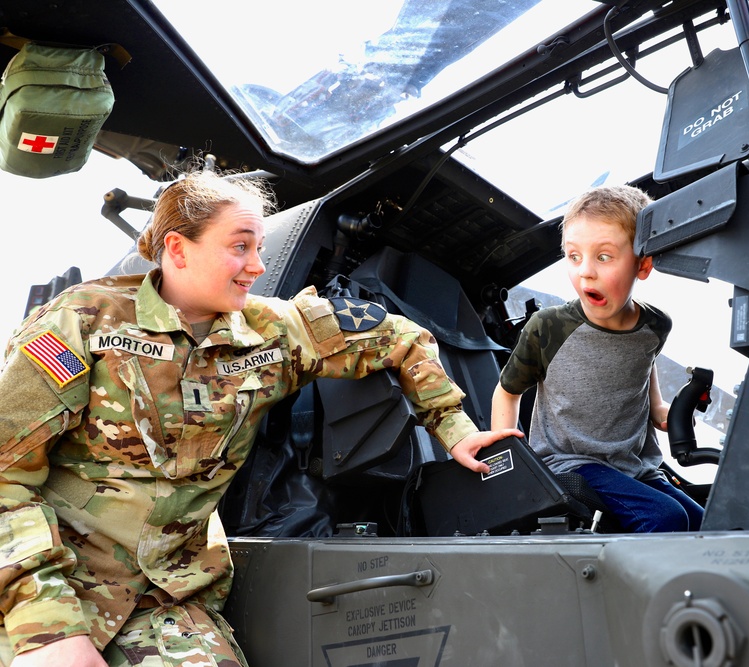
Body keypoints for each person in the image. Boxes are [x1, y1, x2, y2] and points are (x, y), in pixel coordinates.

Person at [0, 168, 520, 667]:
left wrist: (455, 430)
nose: (256, 266)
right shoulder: (84, 321)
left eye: (259, 249)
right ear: (178, 248)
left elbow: (400, 338)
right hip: (43, 585)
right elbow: (5, 475)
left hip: (167, 596)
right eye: (239, 246)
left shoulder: (274, 331)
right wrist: (47, 626)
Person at [491, 184, 703, 533]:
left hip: (634, 467)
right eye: (574, 256)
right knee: (666, 519)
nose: (585, 271)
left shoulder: (655, 326)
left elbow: (642, 365)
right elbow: (507, 392)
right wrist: (511, 469)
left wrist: (662, 410)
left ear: (643, 264)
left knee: (704, 523)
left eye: (603, 257)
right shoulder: (549, 327)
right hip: (572, 465)